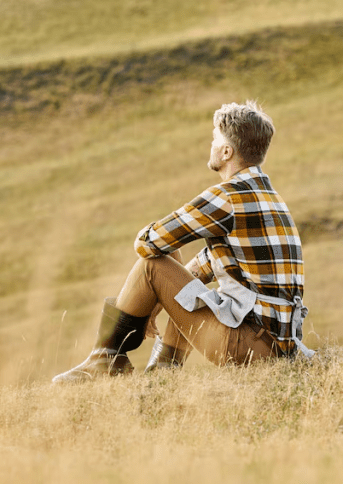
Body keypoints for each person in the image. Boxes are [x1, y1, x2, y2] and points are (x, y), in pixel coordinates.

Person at [52, 101, 313, 383]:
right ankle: (163, 370)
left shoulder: (228, 197)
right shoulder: (270, 198)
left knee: (152, 265)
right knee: (181, 276)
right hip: (277, 347)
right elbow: (204, 266)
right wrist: (159, 300)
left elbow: (148, 243)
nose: (211, 144)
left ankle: (106, 358)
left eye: (215, 138)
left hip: (248, 347)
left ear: (227, 151)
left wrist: (155, 293)